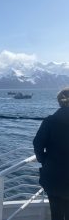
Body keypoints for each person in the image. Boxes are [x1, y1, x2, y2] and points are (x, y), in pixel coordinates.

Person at [33, 87, 69, 219]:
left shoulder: (49, 121)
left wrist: (45, 161)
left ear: (60, 102)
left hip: (54, 177)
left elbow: (37, 144)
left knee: (56, 214)